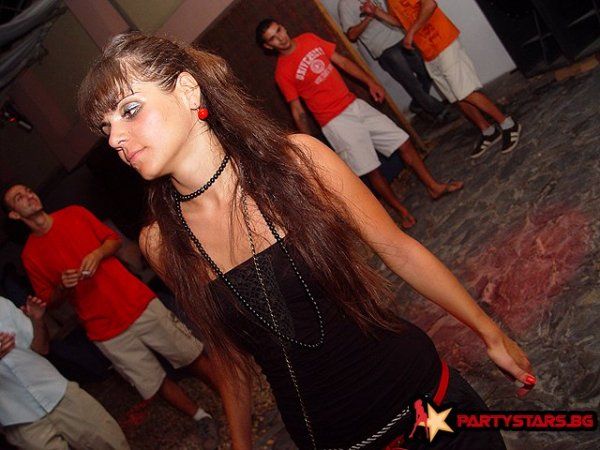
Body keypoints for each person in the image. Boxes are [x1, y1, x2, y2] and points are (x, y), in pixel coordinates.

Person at [77, 32, 535, 450]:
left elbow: (399, 250)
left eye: (129, 110)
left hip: (428, 409)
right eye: (105, 127)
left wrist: (489, 333)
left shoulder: (297, 164)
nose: (115, 138)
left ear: (187, 91)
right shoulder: (162, 243)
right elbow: (230, 355)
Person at [1, 187, 226, 450]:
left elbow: (113, 241)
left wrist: (97, 254)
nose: (29, 196)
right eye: (20, 198)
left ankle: (233, 403)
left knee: (191, 355)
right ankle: (201, 417)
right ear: (15, 215)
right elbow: (47, 301)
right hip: (103, 329)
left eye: (28, 191)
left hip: (136, 302)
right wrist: (62, 286)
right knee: (152, 381)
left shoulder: (73, 214)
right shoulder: (30, 255)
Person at [256, 19, 464, 229]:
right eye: (273, 38)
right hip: (335, 122)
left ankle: (433, 186)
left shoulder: (308, 39)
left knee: (403, 141)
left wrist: (370, 82)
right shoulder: (282, 73)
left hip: (354, 105)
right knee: (371, 169)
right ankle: (401, 211)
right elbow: (297, 109)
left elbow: (342, 62)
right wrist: (307, 144)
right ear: (268, 46)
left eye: (279, 30)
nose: (280, 38)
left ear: (283, 27)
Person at [361, 0, 522, 158]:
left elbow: (430, 5)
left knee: (466, 92)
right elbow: (400, 21)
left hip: (443, 41)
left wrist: (411, 32)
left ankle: (508, 123)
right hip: (427, 50)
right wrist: (376, 12)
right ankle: (488, 131)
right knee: (455, 96)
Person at [0, 294, 129, 449]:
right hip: (19, 418)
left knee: (112, 442)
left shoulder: (3, 305)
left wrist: (36, 320)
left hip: (57, 391)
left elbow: (41, 348)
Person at [338, 0, 450, 122]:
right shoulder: (345, 4)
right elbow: (352, 35)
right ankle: (439, 111)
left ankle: (417, 105)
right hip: (384, 49)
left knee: (426, 72)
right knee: (411, 82)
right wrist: (368, 18)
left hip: (401, 37)